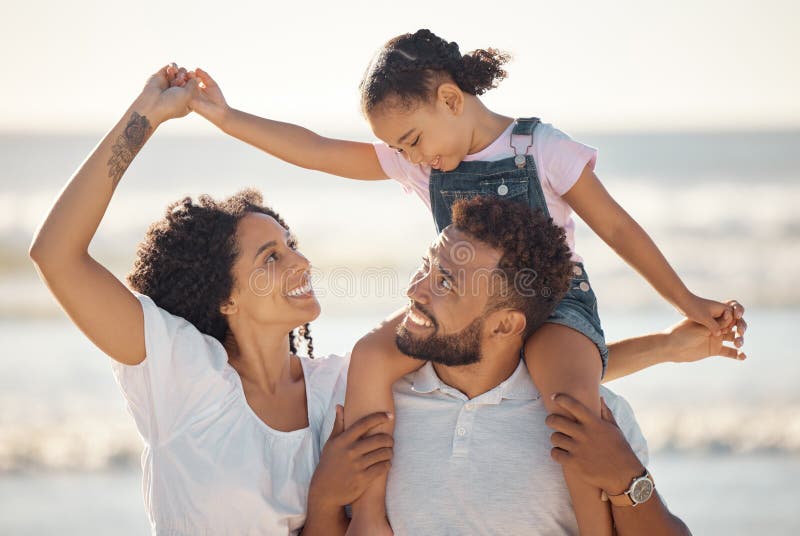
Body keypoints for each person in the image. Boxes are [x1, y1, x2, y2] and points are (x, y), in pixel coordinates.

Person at [177, 29, 744, 534]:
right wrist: (227, 118)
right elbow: (319, 151)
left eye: (412, 139)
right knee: (372, 354)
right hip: (461, 301)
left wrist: (688, 301)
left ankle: (595, 528)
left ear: (451, 99)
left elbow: (617, 227)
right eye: (399, 148)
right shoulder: (424, 165)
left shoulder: (540, 148)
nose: (408, 156)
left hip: (554, 303)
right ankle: (371, 514)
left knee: (572, 403)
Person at [27, 65, 395, 536]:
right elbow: (55, 255)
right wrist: (146, 117)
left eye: (292, 245)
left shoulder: (338, 387)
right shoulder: (181, 373)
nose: (301, 264)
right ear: (225, 298)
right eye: (270, 258)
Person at [316, 195, 730, 534]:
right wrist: (324, 499)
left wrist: (628, 479)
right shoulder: (368, 405)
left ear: (505, 324)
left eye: (445, 282)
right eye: (426, 266)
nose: (414, 290)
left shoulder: (594, 417)